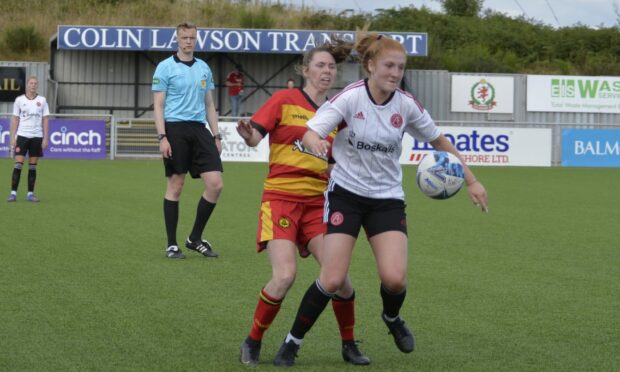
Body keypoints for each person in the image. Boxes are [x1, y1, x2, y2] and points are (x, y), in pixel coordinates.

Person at [272, 32, 489, 366]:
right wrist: (314, 141)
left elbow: (438, 140)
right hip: (345, 196)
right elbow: (312, 130)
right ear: (371, 66)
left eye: (400, 67)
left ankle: (392, 319)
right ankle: (292, 342)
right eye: (389, 65)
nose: (395, 72)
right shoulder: (350, 98)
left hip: (386, 199)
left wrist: (471, 180)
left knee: (395, 278)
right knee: (331, 279)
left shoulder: (405, 104)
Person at [235, 39, 370, 367]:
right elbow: (255, 136)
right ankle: (252, 341)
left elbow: (342, 156)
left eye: (331, 66)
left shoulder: (337, 110)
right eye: (320, 65)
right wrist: (245, 133)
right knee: (285, 275)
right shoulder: (284, 99)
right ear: (305, 69)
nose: (327, 71)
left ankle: (349, 344)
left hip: (318, 205)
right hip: (281, 200)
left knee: (340, 280)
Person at [152, 22, 223, 259]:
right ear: (177, 39)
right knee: (176, 185)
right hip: (175, 129)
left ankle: (194, 238)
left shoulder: (204, 68)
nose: (188, 41)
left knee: (215, 184)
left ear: (196, 39)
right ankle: (172, 244)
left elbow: (209, 104)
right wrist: (163, 137)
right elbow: (159, 106)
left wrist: (216, 134)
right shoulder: (164, 67)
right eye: (184, 38)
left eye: (192, 37)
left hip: (200, 129)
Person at [7, 76, 49, 203]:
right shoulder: (19, 100)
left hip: (37, 136)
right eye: (31, 83)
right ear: (27, 85)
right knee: (18, 164)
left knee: (32, 166)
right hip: (22, 135)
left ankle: (30, 194)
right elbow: (15, 119)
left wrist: (45, 138)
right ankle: (13, 194)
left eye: (35, 83)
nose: (33, 85)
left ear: (37, 86)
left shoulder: (42, 100)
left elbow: (45, 119)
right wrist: (13, 137)